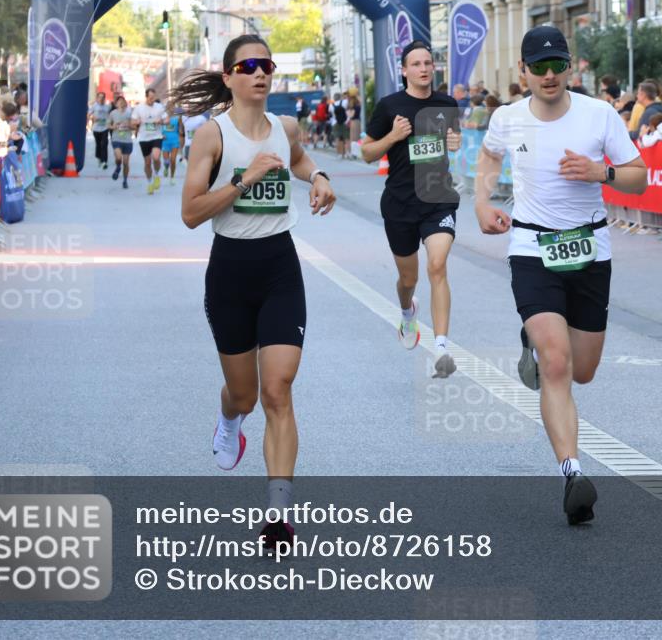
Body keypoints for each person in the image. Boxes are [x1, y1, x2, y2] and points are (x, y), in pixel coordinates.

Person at [473, 25, 647, 525]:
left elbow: (640, 176)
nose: (549, 76)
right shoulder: (507, 118)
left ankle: (535, 340)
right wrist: (484, 201)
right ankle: (573, 473)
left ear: (570, 67)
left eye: (558, 66)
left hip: (590, 248)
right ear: (523, 72)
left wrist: (601, 173)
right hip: (531, 248)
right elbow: (489, 155)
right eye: (539, 67)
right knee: (556, 364)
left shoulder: (599, 115)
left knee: (582, 370)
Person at [174, 34, 335, 548]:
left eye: (265, 64)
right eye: (247, 66)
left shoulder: (285, 127)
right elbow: (191, 214)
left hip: (280, 267)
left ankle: (279, 513)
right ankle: (228, 419)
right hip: (230, 273)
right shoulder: (211, 136)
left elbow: (301, 158)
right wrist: (246, 180)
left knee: (277, 390)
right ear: (228, 78)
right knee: (244, 394)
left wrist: (320, 177)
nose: (260, 73)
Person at [361, 40, 463, 378]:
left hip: (438, 199)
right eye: (415, 64)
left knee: (437, 265)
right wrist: (392, 137)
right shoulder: (390, 106)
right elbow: (367, 153)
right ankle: (407, 311)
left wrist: (455, 142)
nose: (423, 68)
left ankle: (442, 347)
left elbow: (453, 140)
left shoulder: (447, 103)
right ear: (404, 70)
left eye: (427, 63)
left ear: (433, 68)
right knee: (409, 278)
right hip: (400, 203)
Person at [132, 88, 167, 194]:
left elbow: (167, 119)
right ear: (146, 97)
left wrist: (160, 121)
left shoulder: (159, 107)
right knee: (147, 163)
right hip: (144, 138)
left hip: (156, 136)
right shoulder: (139, 108)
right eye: (150, 97)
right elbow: (132, 121)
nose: (152, 99)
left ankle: (156, 175)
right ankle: (149, 182)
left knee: (156, 157)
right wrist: (136, 121)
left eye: (154, 97)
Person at [108, 95, 133, 189]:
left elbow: (134, 126)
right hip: (116, 138)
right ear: (116, 103)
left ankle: (125, 180)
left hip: (127, 140)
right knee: (118, 158)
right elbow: (108, 125)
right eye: (119, 101)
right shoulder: (112, 113)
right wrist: (113, 126)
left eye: (123, 101)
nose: (121, 103)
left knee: (126, 163)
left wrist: (129, 125)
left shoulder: (129, 113)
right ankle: (118, 167)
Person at [88, 92, 112, 170]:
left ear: (104, 98)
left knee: (104, 144)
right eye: (100, 97)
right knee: (98, 144)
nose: (101, 99)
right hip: (96, 128)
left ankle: (104, 161)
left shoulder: (107, 107)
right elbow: (88, 115)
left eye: (103, 97)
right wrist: (92, 117)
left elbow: (111, 115)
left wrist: (109, 121)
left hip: (105, 128)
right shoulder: (94, 106)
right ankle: (98, 157)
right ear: (97, 98)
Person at [161, 108, 183, 185]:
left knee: (173, 160)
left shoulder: (177, 118)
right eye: (168, 107)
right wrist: (161, 134)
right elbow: (159, 128)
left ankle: (172, 177)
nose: (170, 109)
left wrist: (181, 133)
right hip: (165, 142)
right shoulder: (162, 118)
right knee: (166, 161)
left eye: (171, 107)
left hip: (175, 141)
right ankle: (166, 168)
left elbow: (180, 130)